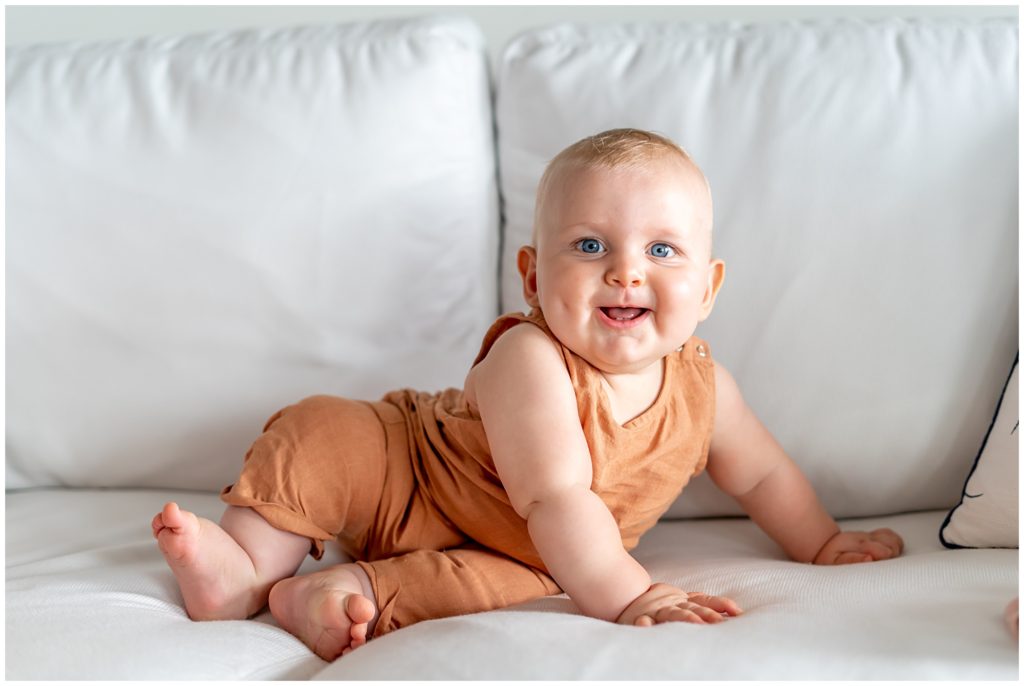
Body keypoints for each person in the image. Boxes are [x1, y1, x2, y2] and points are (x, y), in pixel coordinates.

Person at [152, 128, 904, 661]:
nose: (626, 271)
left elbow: (764, 475)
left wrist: (822, 543)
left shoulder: (706, 390)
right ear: (535, 278)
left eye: (662, 250)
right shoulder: (529, 354)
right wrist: (629, 597)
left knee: (488, 592)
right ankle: (246, 566)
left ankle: (341, 595)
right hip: (407, 470)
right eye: (589, 245)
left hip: (529, 553)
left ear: (707, 289)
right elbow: (555, 496)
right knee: (324, 434)